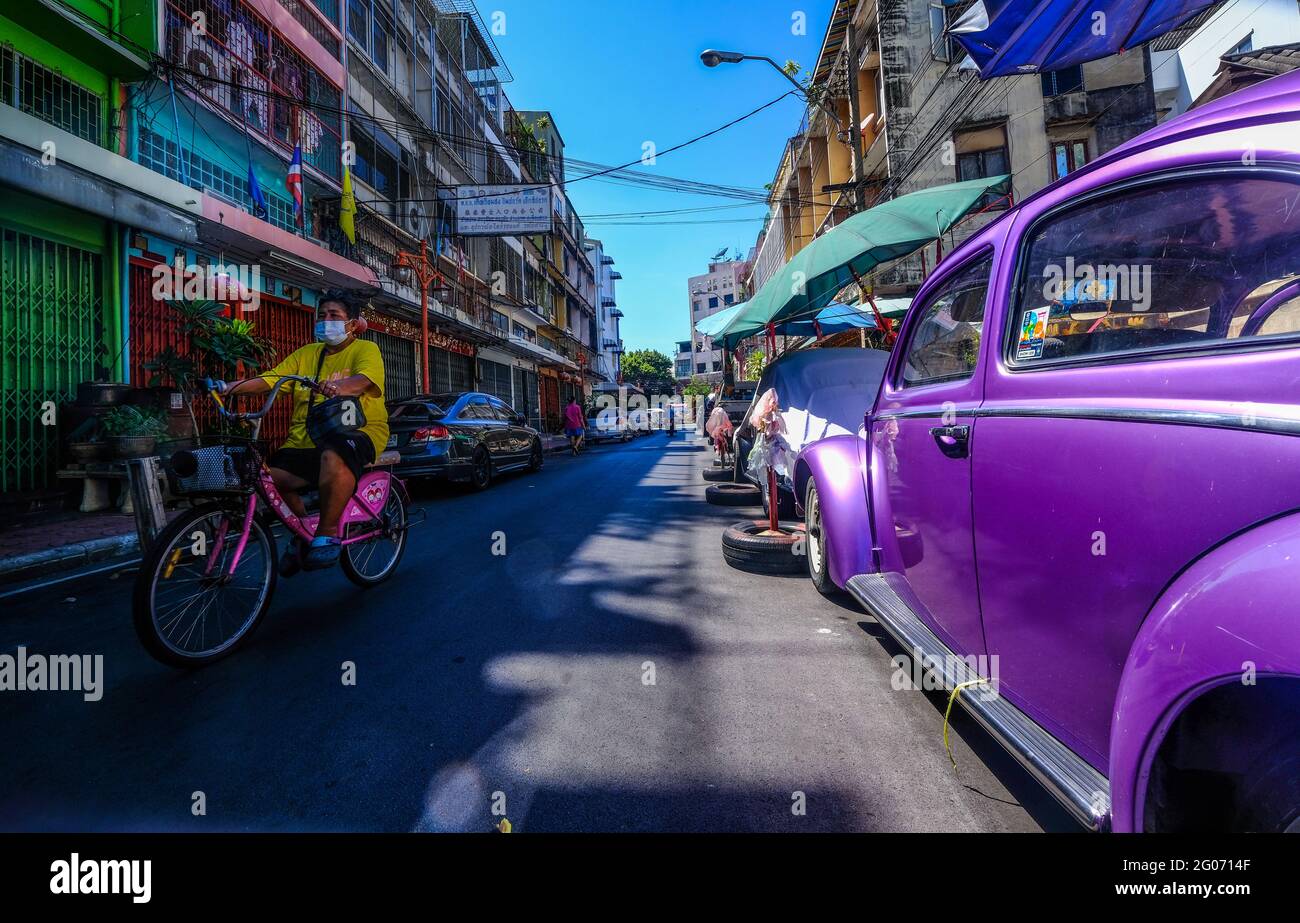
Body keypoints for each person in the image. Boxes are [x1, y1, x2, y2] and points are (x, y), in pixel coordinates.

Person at [215, 290, 388, 572]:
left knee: (334, 455)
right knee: (268, 479)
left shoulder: (365, 349)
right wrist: (227, 388)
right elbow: (272, 378)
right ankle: (302, 530)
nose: (326, 321)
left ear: (353, 324)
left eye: (334, 316)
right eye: (322, 316)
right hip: (305, 439)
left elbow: (364, 380)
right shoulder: (306, 354)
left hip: (358, 432)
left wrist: (339, 387)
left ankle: (327, 533)